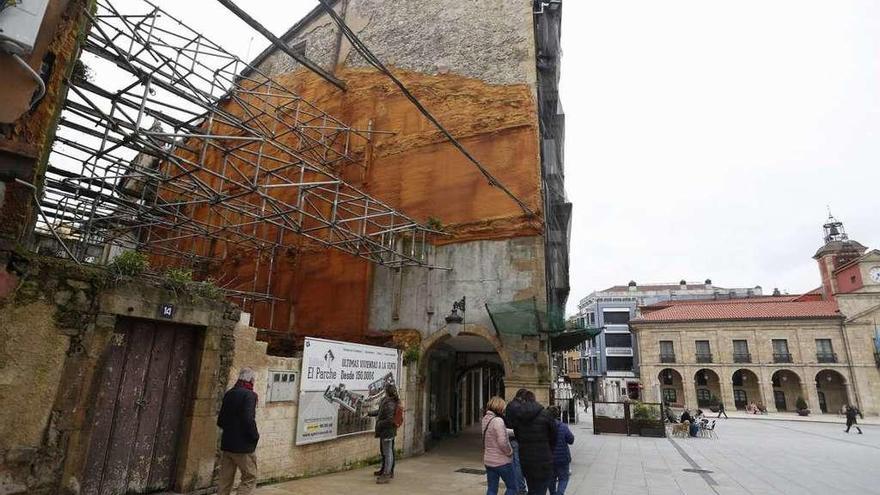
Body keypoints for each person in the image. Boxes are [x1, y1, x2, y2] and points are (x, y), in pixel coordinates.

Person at [505, 389, 557, 495]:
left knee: (532, 489)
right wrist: (549, 451)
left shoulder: (519, 416)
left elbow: (517, 434)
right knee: (541, 490)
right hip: (544, 460)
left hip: (526, 460)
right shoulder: (546, 415)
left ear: (523, 400)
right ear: (534, 399)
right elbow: (554, 436)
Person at [217, 368, 260, 495]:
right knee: (250, 477)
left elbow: (221, 420)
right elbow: (248, 419)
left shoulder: (229, 393)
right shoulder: (249, 395)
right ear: (251, 380)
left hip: (227, 444)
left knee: (225, 480)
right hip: (243, 447)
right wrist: (254, 436)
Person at [482, 396, 517, 495]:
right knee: (512, 487)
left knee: (492, 489)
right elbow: (502, 441)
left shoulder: (486, 419)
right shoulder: (498, 420)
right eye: (503, 407)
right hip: (501, 461)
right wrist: (509, 451)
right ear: (498, 407)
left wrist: (515, 432)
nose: (504, 410)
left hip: (489, 460)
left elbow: (497, 431)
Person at [371, 384, 400, 484]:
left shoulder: (390, 403)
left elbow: (389, 419)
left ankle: (387, 474)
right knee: (386, 451)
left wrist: (379, 423)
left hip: (388, 431)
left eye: (385, 390)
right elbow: (380, 412)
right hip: (385, 431)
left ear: (387, 391)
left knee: (388, 453)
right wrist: (369, 413)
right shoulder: (387, 401)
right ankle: (385, 470)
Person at [548, 406, 574, 495]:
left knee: (551, 478)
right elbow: (571, 440)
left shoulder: (545, 427)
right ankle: (559, 493)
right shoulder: (563, 426)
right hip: (563, 458)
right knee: (563, 478)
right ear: (557, 415)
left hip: (549, 458)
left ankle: (553, 493)